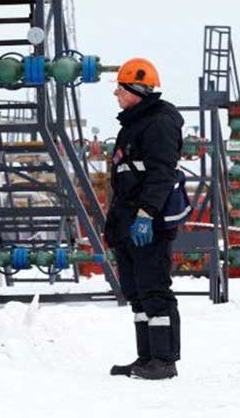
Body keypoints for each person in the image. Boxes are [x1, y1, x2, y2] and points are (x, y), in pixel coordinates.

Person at [105, 58, 189, 380]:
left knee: (155, 290)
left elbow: (160, 175)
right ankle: (146, 358)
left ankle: (164, 360)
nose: (116, 94)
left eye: (120, 89)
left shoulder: (160, 123)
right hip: (128, 222)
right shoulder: (133, 123)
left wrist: (146, 215)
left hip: (147, 223)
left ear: (135, 90)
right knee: (136, 292)